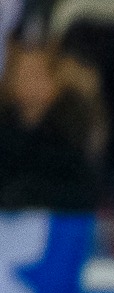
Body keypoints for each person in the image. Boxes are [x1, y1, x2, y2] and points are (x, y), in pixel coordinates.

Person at [0, 40, 105, 212]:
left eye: (36, 75)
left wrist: (31, 194)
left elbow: (83, 190)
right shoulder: (5, 133)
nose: (28, 82)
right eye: (20, 73)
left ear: (56, 81)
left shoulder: (68, 133)